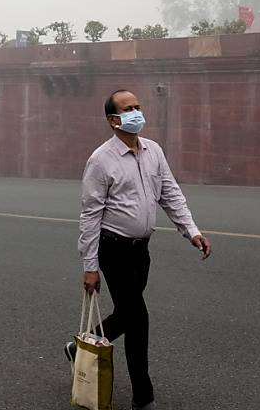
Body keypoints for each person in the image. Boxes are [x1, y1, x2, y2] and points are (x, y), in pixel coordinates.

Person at [67, 89, 212, 410]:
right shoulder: (100, 161)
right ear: (113, 120)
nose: (136, 113)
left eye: (138, 106)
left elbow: (170, 194)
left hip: (140, 253)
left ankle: (78, 349)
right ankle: (143, 398)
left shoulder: (154, 152)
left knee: (127, 315)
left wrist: (192, 231)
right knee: (139, 319)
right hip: (113, 250)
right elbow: (90, 215)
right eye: (128, 109)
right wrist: (90, 266)